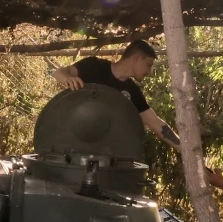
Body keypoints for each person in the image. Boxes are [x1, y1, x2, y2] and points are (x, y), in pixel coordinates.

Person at [52, 40, 183, 150]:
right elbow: (60, 72)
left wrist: (185, 149)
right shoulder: (94, 66)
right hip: (71, 144)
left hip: (104, 153)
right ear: (136, 59)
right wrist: (67, 79)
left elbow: (155, 123)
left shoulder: (133, 91)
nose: (150, 72)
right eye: (148, 65)